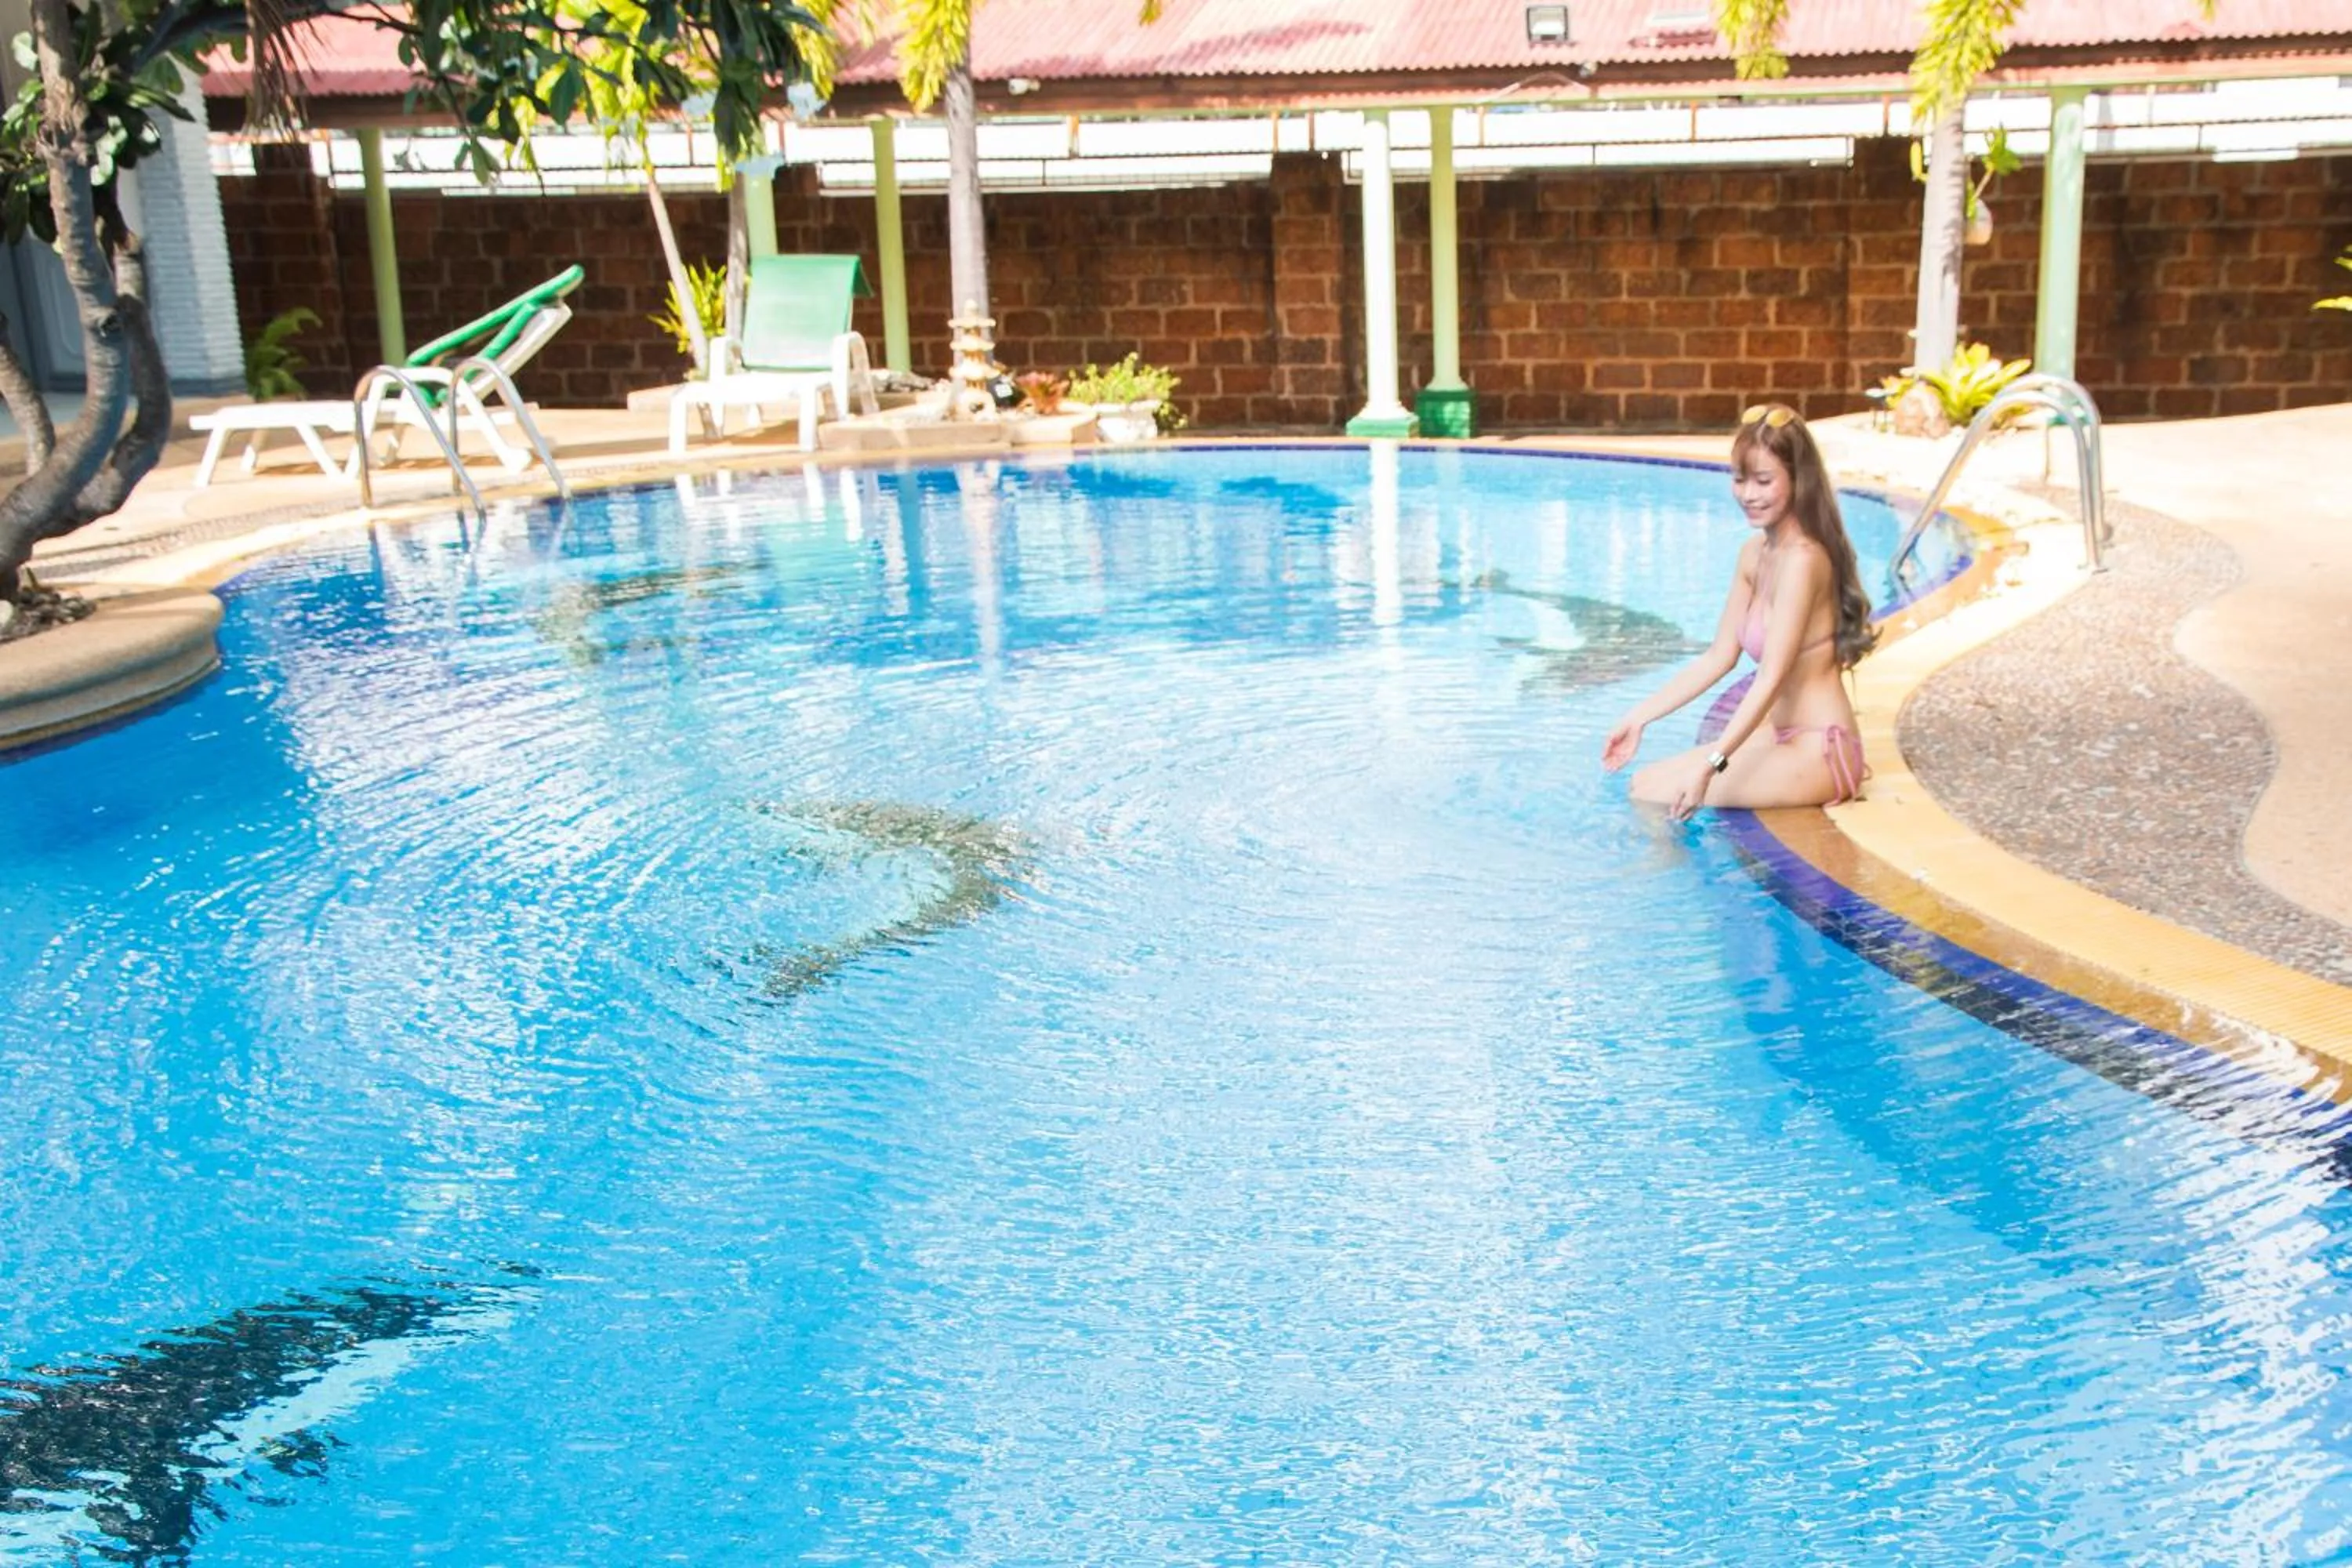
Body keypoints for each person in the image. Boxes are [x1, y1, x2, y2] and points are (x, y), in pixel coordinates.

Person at [1601, 402, 1877, 820]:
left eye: (1764, 481)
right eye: (1739, 479)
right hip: (1782, 735)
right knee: (1644, 783)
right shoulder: (1754, 554)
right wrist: (1639, 718)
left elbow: (1771, 677)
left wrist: (1711, 766)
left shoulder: (1805, 559)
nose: (1748, 494)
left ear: (1797, 480)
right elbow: (1719, 657)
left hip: (1822, 748)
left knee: (1658, 798)